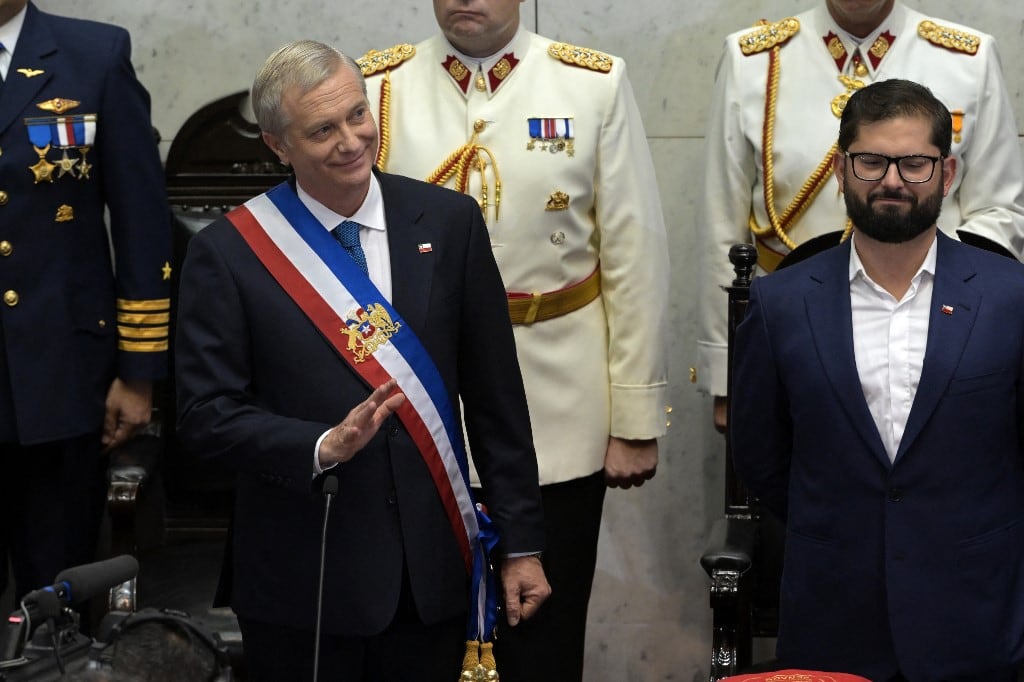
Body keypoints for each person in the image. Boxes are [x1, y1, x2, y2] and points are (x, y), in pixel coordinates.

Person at [174, 40, 550, 682]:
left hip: (429, 573)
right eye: (322, 129)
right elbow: (204, 418)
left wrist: (522, 546)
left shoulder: (449, 221)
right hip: (304, 580)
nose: (350, 141)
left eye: (356, 115)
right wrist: (321, 444)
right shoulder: (231, 252)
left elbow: (496, 401)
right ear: (278, 145)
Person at [357, 1, 669, 677]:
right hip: (421, 396)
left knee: (544, 633)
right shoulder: (376, 88)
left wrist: (635, 416)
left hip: (557, 398)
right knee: (422, 628)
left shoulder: (592, 83)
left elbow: (633, 253)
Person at [730, 78, 1024, 681]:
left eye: (914, 163)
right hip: (834, 614)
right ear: (841, 170)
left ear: (947, 174)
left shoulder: (1010, 297)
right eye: (872, 161)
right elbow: (762, 454)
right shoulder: (780, 302)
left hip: (977, 614)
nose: (892, 180)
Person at [696, 0, 1024, 430]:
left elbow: (1000, 210)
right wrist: (728, 375)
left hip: (942, 337)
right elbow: (722, 224)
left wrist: (919, 283)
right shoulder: (752, 60)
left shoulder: (968, 58)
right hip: (797, 336)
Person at [0, 0, 171, 606]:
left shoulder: (94, 55)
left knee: (57, 602)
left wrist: (139, 373)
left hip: (63, 382)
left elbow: (142, 224)